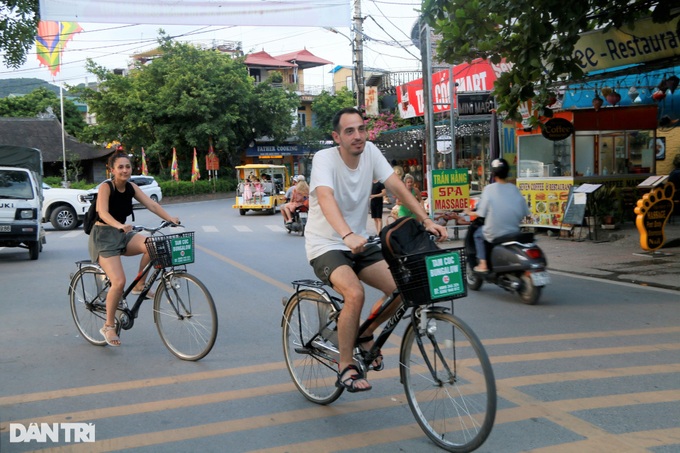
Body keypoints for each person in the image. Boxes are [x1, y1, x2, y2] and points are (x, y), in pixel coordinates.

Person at [305, 107, 447, 392]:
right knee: (354, 293)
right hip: (326, 244)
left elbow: (396, 186)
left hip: (360, 241)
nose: (357, 136)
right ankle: (346, 366)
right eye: (349, 131)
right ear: (337, 137)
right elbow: (325, 197)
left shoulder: (370, 151)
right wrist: (345, 234)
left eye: (361, 129)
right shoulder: (324, 159)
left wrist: (426, 219)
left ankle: (365, 332)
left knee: (403, 287)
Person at [89, 152, 180, 347]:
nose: (124, 170)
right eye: (120, 167)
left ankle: (140, 285)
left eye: (127, 166)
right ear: (112, 170)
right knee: (119, 281)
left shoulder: (131, 187)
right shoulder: (106, 187)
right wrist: (118, 225)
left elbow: (152, 205)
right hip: (104, 237)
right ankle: (108, 325)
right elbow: (102, 212)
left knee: (152, 245)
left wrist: (169, 218)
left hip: (122, 233)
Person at [469, 158, 529, 273]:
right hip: (514, 231)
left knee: (477, 234)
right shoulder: (514, 189)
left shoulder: (489, 189)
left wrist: (468, 212)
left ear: (493, 174)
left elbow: (480, 213)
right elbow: (524, 212)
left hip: (494, 232)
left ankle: (483, 264)